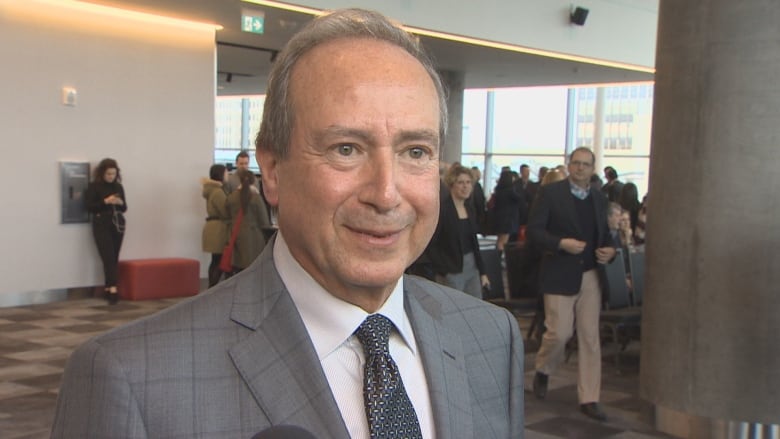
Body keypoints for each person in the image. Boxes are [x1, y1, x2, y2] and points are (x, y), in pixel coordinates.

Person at [52, 9, 524, 438]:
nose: (385, 193)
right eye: (346, 149)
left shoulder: (490, 337)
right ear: (273, 170)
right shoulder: (132, 377)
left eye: (415, 152)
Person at [527, 147, 615, 422]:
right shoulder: (552, 194)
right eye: (575, 164)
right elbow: (534, 232)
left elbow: (607, 235)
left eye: (585, 165)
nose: (580, 169)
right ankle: (543, 368)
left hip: (591, 274)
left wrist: (610, 251)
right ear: (569, 165)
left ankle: (590, 397)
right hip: (559, 272)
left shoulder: (600, 199)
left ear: (593, 168)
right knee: (560, 333)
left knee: (590, 337)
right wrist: (560, 243)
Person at [427, 164, 490, 298]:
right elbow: (430, 244)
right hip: (451, 268)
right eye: (460, 182)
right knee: (452, 311)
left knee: (474, 308)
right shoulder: (442, 210)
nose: (465, 186)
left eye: (468, 182)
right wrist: (443, 270)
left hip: (472, 267)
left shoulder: (470, 209)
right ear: (451, 185)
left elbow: (474, 244)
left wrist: (483, 272)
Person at [84, 158, 126, 305]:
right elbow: (89, 206)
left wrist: (119, 202)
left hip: (117, 223)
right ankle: (113, 287)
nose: (111, 177)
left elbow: (124, 208)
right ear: (102, 173)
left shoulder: (118, 187)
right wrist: (105, 202)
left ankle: (109, 287)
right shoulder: (94, 187)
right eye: (108, 174)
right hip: (101, 223)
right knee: (107, 256)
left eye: (113, 174)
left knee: (114, 256)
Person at [224, 169, 271, 273]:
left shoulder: (231, 197)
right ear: (253, 181)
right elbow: (264, 221)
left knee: (238, 269)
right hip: (254, 237)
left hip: (235, 235)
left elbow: (227, 216)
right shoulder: (256, 197)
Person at [202, 164, 230, 287]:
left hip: (212, 229)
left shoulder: (211, 190)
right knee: (218, 261)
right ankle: (212, 288)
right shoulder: (218, 192)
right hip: (218, 230)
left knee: (215, 260)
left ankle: (211, 287)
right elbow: (225, 210)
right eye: (226, 173)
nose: (228, 175)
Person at [492, 169, 524, 251]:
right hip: (508, 219)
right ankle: (500, 258)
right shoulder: (510, 191)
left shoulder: (498, 190)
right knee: (503, 241)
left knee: (500, 239)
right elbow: (520, 199)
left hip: (500, 217)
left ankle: (496, 256)